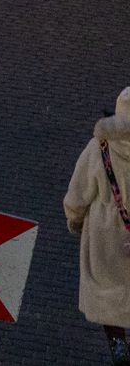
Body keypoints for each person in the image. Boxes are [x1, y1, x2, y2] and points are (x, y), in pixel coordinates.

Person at [62, 86, 130, 365]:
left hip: (106, 239)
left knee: (108, 296)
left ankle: (118, 346)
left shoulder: (99, 149)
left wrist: (74, 221)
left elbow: (77, 194)